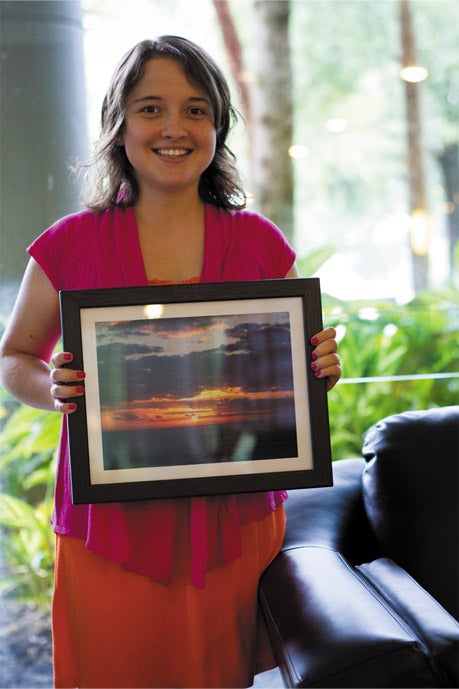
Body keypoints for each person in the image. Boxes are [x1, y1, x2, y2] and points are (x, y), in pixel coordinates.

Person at [0, 36, 341, 688]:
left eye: (194, 109)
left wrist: (317, 367)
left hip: (233, 524)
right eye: (150, 108)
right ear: (119, 123)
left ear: (218, 125)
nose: (174, 127)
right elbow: (14, 357)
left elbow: (295, 365)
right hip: (110, 525)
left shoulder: (260, 242)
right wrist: (54, 386)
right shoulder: (68, 243)